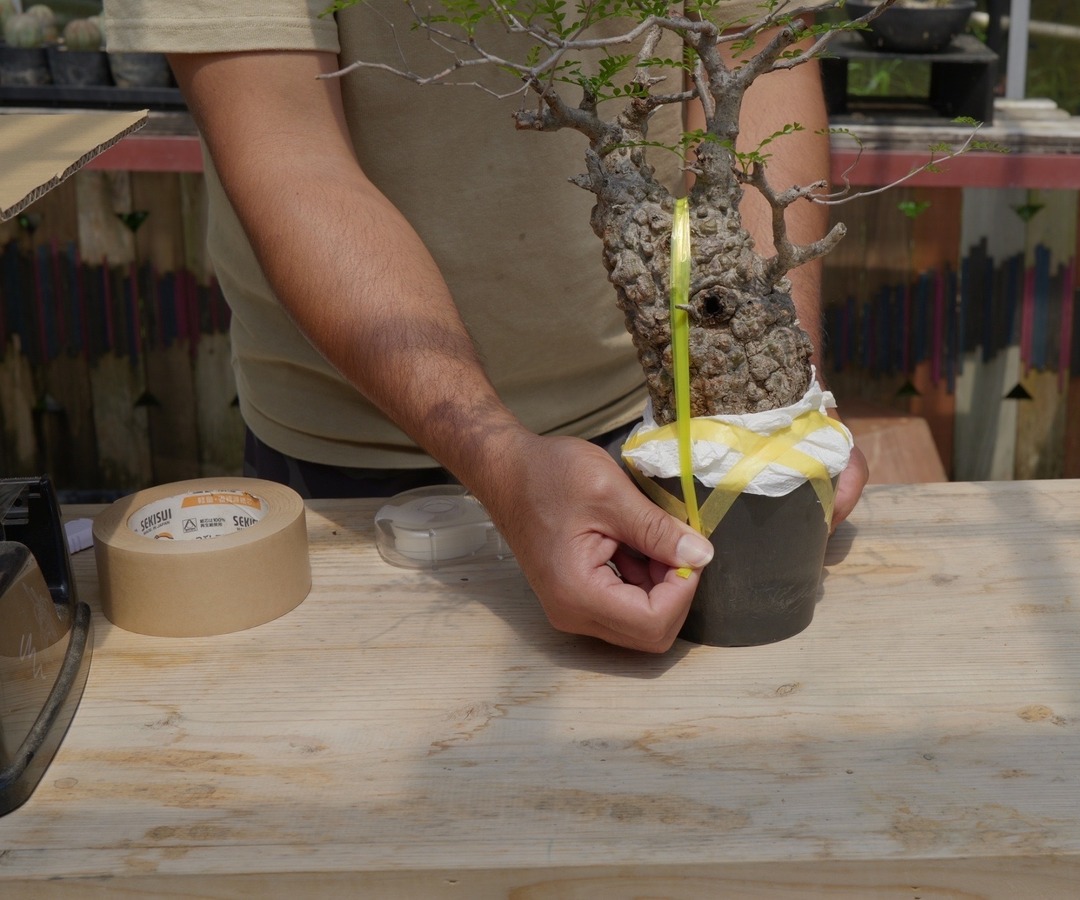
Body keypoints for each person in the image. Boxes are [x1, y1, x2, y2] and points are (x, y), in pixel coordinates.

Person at [104, 0, 868, 652]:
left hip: (657, 415)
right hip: (356, 450)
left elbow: (754, 46)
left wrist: (775, 387)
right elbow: (287, 148)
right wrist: (498, 459)